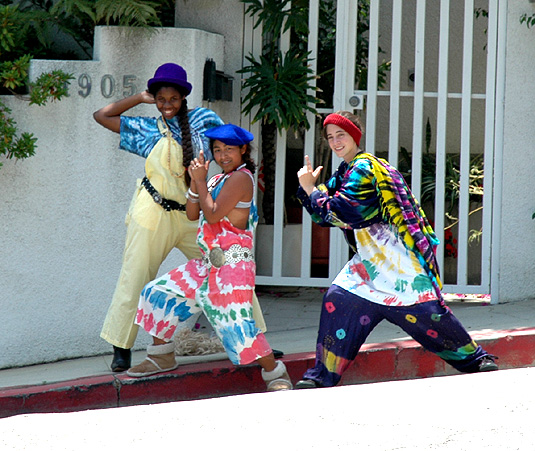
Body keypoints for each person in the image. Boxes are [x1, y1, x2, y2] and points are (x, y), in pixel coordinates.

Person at [294, 111, 498, 389]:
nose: (335, 142)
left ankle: (476, 360)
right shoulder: (345, 171)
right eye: (330, 137)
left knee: (432, 318)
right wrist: (310, 190)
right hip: (367, 267)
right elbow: (322, 214)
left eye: (340, 135)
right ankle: (321, 377)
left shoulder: (364, 169)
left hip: (399, 268)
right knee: (337, 300)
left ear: (355, 135)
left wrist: (311, 190)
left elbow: (343, 213)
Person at [93, 63, 268, 372]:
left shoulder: (205, 120)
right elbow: (102, 116)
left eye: (173, 99)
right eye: (161, 99)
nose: (166, 105)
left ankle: (256, 340)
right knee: (135, 275)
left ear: (183, 97)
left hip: (194, 212)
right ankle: (121, 347)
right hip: (153, 211)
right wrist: (140, 98)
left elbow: (228, 148)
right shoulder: (147, 127)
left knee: (227, 267)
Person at [126, 124, 292, 392]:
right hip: (207, 263)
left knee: (236, 322)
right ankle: (161, 356)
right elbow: (193, 213)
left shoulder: (242, 178)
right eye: (217, 150)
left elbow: (213, 214)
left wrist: (200, 181)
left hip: (234, 265)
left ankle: (275, 373)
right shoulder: (216, 180)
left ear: (243, 150)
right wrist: (196, 181)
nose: (223, 155)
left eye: (229, 149)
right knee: (158, 293)